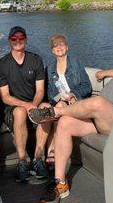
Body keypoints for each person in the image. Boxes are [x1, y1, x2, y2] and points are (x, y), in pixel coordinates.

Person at [29, 28, 113, 203]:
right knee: (64, 124)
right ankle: (60, 183)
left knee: (96, 102)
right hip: (100, 116)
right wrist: (106, 72)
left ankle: (53, 112)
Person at [0, 26, 51, 183]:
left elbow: (40, 90)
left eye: (21, 38)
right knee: (20, 112)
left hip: (34, 102)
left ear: (26, 39)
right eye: (14, 39)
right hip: (13, 107)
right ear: (9, 41)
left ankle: (38, 158)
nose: (18, 41)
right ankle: (22, 161)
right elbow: (5, 97)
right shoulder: (3, 64)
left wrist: (34, 105)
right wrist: (27, 106)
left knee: (46, 109)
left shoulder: (36, 60)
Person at [45, 34, 92, 163]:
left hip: (77, 102)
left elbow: (87, 87)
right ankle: (55, 152)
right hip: (61, 103)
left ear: (67, 47)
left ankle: (53, 150)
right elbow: (50, 95)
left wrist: (73, 94)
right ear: (52, 50)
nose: (59, 47)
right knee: (58, 106)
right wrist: (60, 98)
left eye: (61, 44)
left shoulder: (76, 63)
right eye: (56, 45)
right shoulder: (49, 69)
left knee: (58, 109)